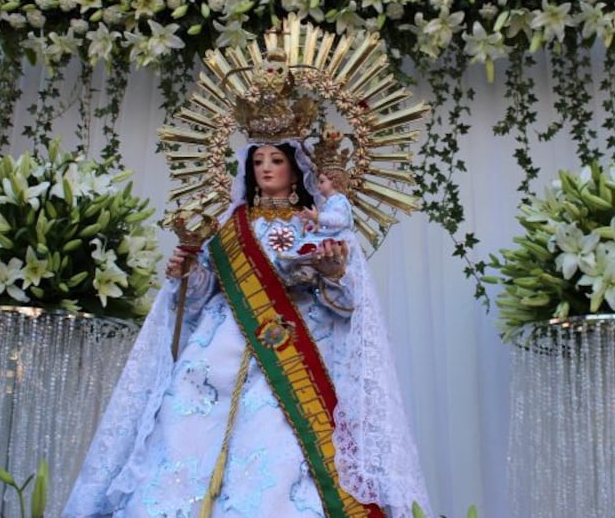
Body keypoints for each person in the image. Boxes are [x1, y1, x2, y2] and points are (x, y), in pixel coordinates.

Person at [63, 143, 430, 516]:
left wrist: (331, 273)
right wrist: (187, 273)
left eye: (276, 161)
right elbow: (200, 296)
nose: (265, 169)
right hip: (217, 348)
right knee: (184, 423)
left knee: (280, 441)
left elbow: (350, 304)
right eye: (257, 162)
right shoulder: (228, 226)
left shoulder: (315, 221)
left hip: (295, 351)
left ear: (295, 167)